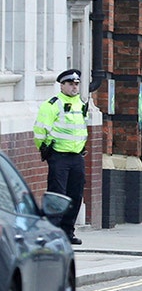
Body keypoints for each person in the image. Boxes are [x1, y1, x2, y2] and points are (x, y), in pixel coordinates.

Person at [33, 69, 89, 244]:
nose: (74, 86)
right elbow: (40, 130)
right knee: (57, 195)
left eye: (76, 84)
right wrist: (45, 150)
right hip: (59, 156)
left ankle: (67, 232)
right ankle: (52, 233)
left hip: (76, 157)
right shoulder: (52, 104)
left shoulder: (81, 104)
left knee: (75, 195)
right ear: (62, 85)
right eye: (71, 84)